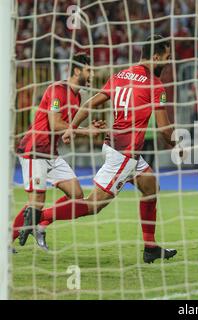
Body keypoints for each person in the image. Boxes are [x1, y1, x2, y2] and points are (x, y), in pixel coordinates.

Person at [21, 35, 177, 264]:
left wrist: (72, 127)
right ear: (155, 57)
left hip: (116, 146)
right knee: (93, 205)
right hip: (125, 154)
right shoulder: (155, 84)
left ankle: (150, 247)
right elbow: (164, 130)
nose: (167, 62)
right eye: (166, 58)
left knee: (151, 187)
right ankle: (39, 216)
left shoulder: (120, 75)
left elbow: (88, 104)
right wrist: (178, 144)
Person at [12, 53, 105, 251]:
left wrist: (79, 132)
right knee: (36, 201)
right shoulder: (57, 89)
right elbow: (55, 124)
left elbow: (65, 131)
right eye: (89, 70)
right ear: (77, 70)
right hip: (34, 150)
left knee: (77, 194)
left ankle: (41, 223)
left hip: (51, 154)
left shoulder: (77, 96)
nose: (92, 75)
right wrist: (85, 131)